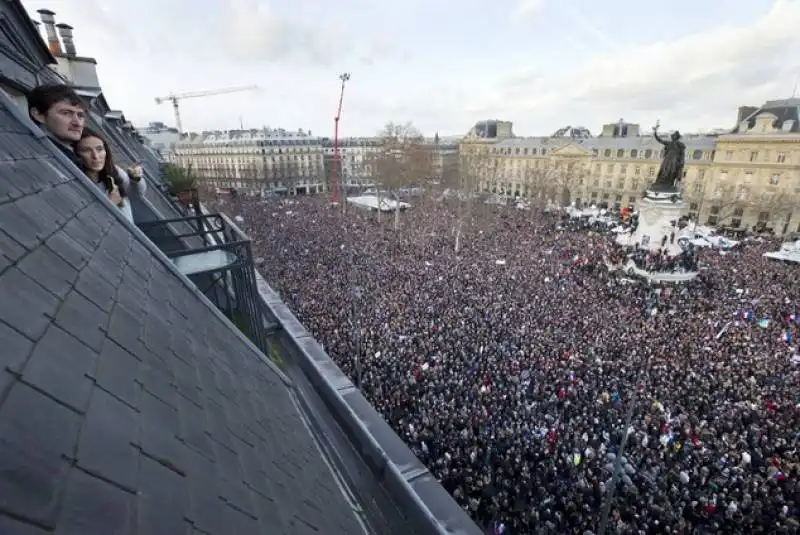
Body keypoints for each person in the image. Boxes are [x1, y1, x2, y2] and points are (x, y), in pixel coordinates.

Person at [76, 129, 146, 223]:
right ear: (77, 154)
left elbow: (135, 194)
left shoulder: (114, 171)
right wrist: (110, 204)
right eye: (86, 150)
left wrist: (135, 180)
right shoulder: (76, 182)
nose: (96, 156)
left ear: (106, 151)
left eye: (99, 149)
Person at [26, 84, 86, 167]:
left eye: (80, 115)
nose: (78, 123)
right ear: (38, 115)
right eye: (66, 113)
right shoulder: (36, 159)